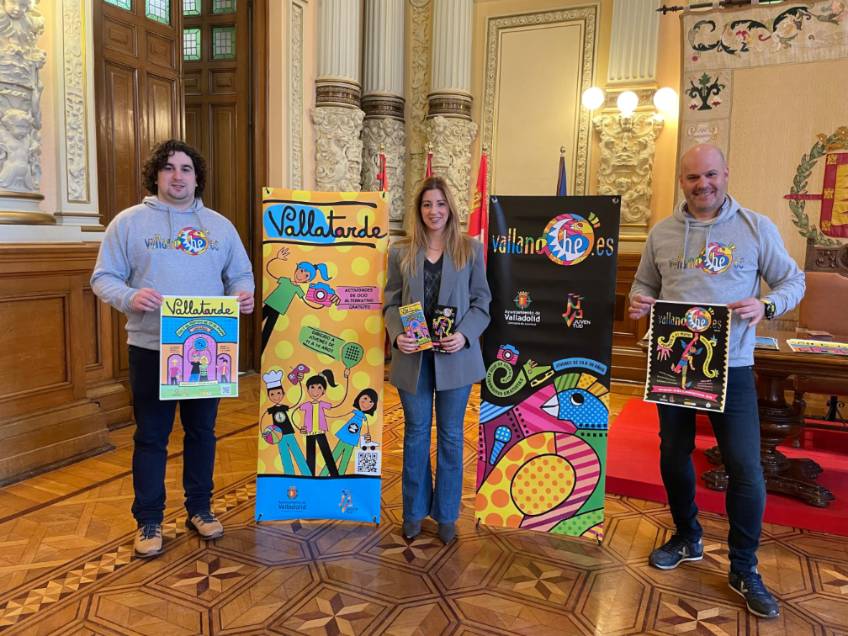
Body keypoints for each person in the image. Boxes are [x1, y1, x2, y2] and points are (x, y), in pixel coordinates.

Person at [628, 144, 805, 619]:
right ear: (681, 182)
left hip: (735, 365)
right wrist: (639, 302)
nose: (702, 184)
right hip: (674, 365)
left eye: (710, 175)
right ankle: (687, 536)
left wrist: (765, 305)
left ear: (726, 174)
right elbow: (643, 285)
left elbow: (793, 281)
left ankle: (744, 568)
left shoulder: (755, 227)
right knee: (673, 453)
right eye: (692, 177)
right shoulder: (662, 233)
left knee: (745, 467)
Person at [91, 139, 255, 558]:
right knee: (151, 436)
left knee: (202, 432)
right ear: (156, 176)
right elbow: (103, 278)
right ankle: (148, 519)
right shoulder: (128, 223)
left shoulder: (220, 226)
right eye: (168, 168)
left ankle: (200, 508)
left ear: (197, 178)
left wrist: (243, 295)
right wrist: (130, 297)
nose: (177, 176)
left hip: (208, 348)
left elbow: (240, 274)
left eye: (186, 169)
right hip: (151, 348)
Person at [384, 176, 492, 544]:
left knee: (450, 436)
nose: (434, 211)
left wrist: (464, 334)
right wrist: (397, 334)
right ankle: (413, 512)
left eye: (441, 204)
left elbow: (482, 303)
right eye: (428, 204)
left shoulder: (470, 250)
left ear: (451, 208)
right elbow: (390, 303)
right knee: (415, 435)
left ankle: (446, 514)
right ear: (419, 210)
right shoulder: (400, 252)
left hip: (455, 358)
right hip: (413, 359)